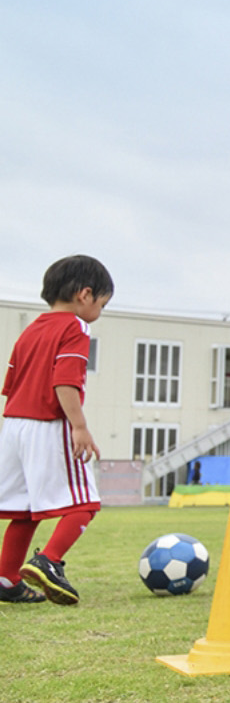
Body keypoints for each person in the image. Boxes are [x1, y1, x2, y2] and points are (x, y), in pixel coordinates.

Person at [0, 256, 114, 606]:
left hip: (14, 425)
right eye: (102, 304)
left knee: (24, 510)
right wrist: (79, 426)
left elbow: (10, 384)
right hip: (49, 423)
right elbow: (65, 380)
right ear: (85, 294)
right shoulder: (75, 328)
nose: (99, 311)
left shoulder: (31, 329)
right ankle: (49, 561)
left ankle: (6, 579)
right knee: (85, 502)